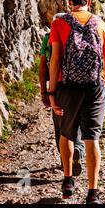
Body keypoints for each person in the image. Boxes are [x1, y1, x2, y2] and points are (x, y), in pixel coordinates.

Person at [48, 0, 105, 204]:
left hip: (68, 86)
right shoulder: (101, 24)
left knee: (66, 134)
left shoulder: (59, 22)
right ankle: (92, 193)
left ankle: (68, 181)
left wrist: (51, 91)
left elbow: (55, 59)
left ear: (69, 2)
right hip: (95, 87)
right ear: (88, 2)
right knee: (91, 138)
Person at [38, 14, 85, 176]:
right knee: (76, 120)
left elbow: (43, 66)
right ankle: (78, 148)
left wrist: (44, 90)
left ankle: (66, 161)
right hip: (78, 84)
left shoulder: (47, 38)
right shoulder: (77, 35)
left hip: (57, 86)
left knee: (60, 125)